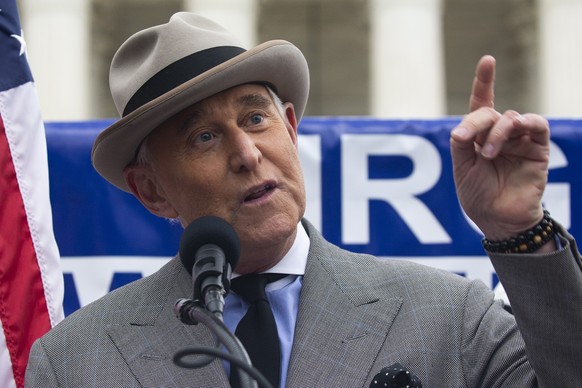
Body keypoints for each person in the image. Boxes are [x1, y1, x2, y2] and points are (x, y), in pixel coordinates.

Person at [25, 12, 581, 387]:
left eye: (256, 118)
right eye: (204, 137)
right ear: (151, 190)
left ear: (290, 128)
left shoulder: (449, 315)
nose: (247, 153)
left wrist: (517, 230)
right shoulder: (74, 361)